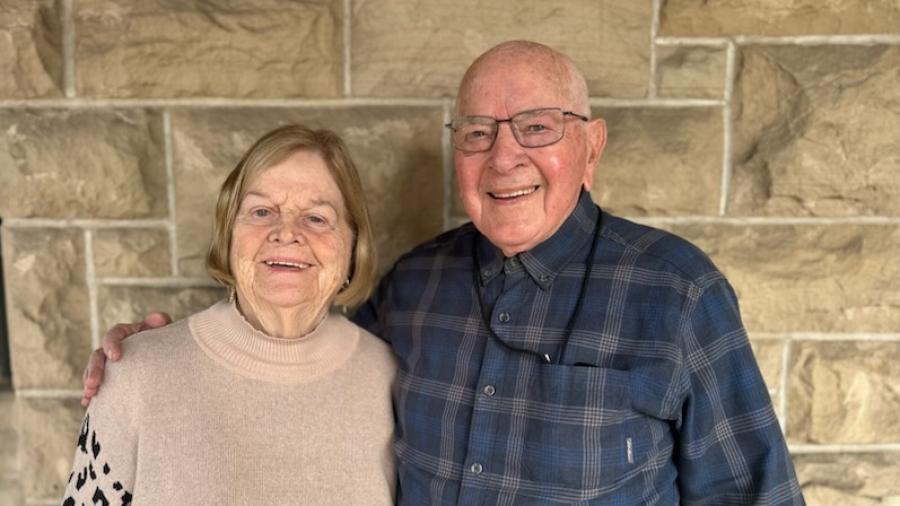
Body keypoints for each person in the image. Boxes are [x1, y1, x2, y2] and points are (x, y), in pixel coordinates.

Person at [82, 41, 804, 504]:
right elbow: (291, 350)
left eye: (537, 127)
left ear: (591, 147)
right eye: (478, 133)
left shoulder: (679, 294)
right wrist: (154, 360)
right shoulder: (415, 287)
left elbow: (754, 494)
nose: (504, 156)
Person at [64, 125, 397, 504]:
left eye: (316, 218)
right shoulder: (135, 373)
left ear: (353, 244)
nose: (286, 233)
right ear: (228, 233)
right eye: (261, 211)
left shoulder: (390, 378)